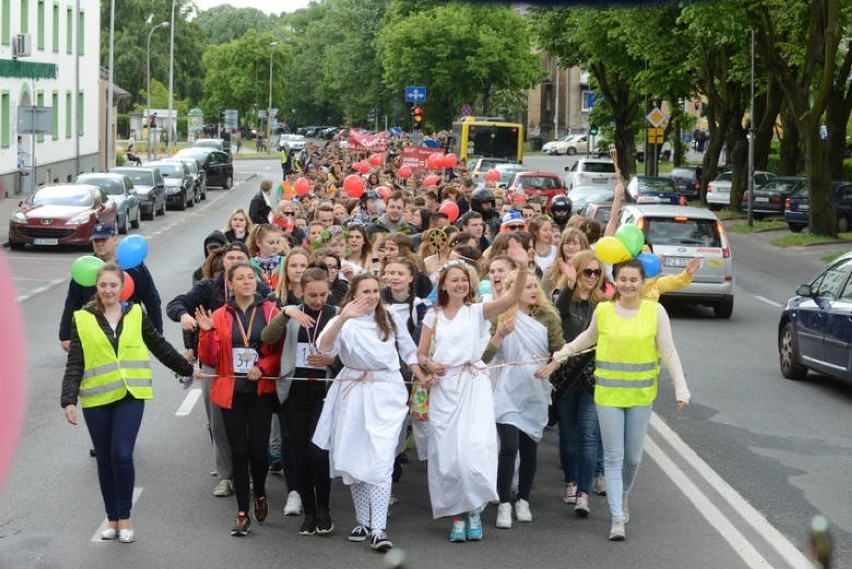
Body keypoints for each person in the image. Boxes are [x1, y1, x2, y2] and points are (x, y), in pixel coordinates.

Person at [553, 259, 691, 541]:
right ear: (615, 281)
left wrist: (681, 387)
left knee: (633, 457)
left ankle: (624, 496)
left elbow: (669, 351)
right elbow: (586, 339)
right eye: (623, 279)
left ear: (642, 283)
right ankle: (617, 517)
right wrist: (562, 353)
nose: (628, 284)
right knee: (614, 458)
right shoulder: (604, 311)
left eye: (633, 280)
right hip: (608, 395)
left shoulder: (655, 311)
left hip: (640, 395)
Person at [61, 263, 195, 543]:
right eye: (103, 285)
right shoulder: (83, 318)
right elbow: (75, 361)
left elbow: (158, 345)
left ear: (122, 288)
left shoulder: (135, 313)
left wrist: (187, 369)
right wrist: (68, 400)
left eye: (113, 285)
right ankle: (111, 518)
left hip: (130, 394)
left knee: (121, 454)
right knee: (105, 458)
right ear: (96, 288)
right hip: (96, 398)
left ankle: (125, 517)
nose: (108, 290)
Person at [417, 242, 530, 543]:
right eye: (453, 279)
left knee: (474, 452)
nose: (459, 283)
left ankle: (474, 511)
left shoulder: (477, 311)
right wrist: (431, 364)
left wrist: (522, 267)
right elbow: (420, 355)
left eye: (463, 279)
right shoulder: (433, 316)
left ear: (468, 285)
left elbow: (512, 297)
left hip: (473, 384)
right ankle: (456, 515)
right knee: (449, 458)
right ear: (443, 285)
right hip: (445, 389)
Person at [312, 273, 428, 553]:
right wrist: (342, 319)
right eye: (366, 291)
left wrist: (422, 378)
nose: (372, 296)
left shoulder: (388, 316)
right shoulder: (343, 319)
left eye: (376, 290)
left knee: (380, 459)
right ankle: (362, 522)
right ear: (353, 293)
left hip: (386, 393)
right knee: (355, 456)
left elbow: (408, 352)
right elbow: (323, 347)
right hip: (353, 393)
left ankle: (379, 528)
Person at [166, 241, 274, 497]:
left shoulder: (261, 290)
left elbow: (276, 318)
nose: (235, 262)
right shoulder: (208, 287)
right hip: (216, 364)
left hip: (254, 369)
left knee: (255, 429)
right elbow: (175, 305)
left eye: (240, 258)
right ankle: (226, 475)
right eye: (230, 258)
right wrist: (184, 316)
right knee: (220, 424)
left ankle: (253, 475)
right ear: (223, 264)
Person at [196, 262, 284, 537]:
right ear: (230, 284)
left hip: (259, 391)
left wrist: (265, 367)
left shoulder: (271, 312)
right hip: (230, 391)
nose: (246, 281)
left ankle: (259, 491)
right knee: (239, 451)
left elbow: (281, 352)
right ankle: (242, 512)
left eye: (250, 277)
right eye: (240, 278)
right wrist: (208, 332)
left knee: (258, 452)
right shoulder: (220, 315)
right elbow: (209, 358)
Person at [482, 270, 563, 529]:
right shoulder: (501, 315)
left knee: (529, 449)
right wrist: (501, 335)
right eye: (525, 286)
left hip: (536, 389)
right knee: (508, 447)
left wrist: (551, 366)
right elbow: (485, 356)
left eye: (534, 286)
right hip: (508, 388)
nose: (532, 290)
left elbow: (561, 351)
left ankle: (523, 500)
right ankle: (504, 502)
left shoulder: (548, 317)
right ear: (513, 291)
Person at [261, 267, 338, 536]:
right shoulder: (292, 314)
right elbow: (267, 337)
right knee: (301, 453)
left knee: (319, 452)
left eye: (323, 294)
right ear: (301, 292)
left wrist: (332, 360)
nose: (318, 300)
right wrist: (285, 313)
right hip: (294, 392)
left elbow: (350, 352)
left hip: (324, 392)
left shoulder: (336, 315)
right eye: (312, 295)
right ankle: (310, 512)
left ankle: (324, 508)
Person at [549, 250, 605, 516]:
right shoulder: (564, 301)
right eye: (588, 272)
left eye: (597, 272)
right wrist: (569, 286)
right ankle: (570, 481)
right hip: (566, 378)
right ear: (577, 272)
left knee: (589, 435)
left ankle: (583, 491)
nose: (592, 277)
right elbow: (555, 316)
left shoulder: (603, 304)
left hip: (593, 379)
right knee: (569, 436)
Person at [59, 223, 163, 353]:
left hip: (128, 334)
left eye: (104, 239)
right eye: (96, 240)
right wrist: (65, 335)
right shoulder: (86, 269)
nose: (99, 243)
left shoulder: (134, 267)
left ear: (115, 239)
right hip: (95, 335)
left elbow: (151, 300)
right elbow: (72, 302)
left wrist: (157, 334)